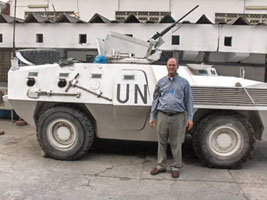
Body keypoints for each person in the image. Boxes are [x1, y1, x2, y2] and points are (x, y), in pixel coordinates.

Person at [149, 57, 194, 178]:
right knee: (161, 142)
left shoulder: (184, 83)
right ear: (166, 67)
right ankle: (160, 166)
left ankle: (176, 167)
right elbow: (155, 100)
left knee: (176, 143)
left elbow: (189, 101)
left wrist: (190, 118)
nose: (171, 67)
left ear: (177, 67)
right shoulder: (161, 82)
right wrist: (152, 116)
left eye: (174, 65)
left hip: (178, 117)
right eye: (169, 65)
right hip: (162, 115)